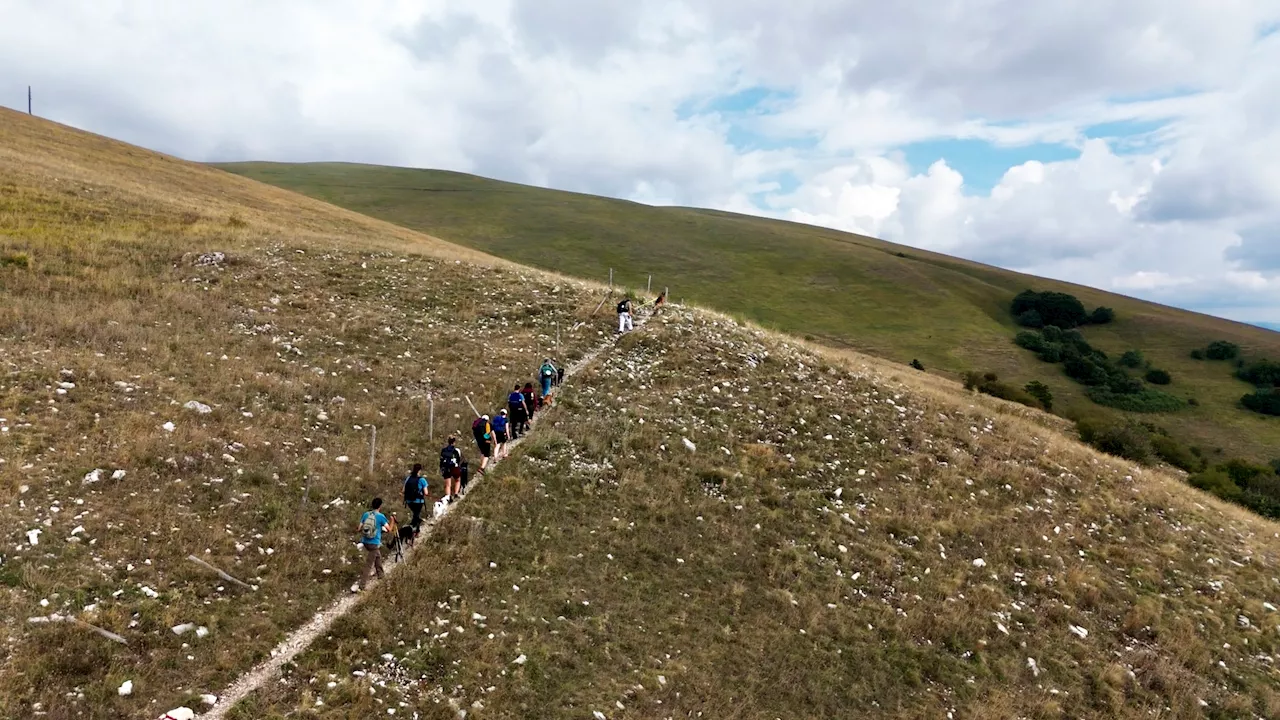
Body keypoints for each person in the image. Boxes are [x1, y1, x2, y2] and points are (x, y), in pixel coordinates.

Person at [354, 497, 389, 592]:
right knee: (368, 565)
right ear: (380, 506)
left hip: (365, 541)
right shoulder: (381, 516)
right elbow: (389, 529)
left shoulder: (366, 514)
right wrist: (393, 521)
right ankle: (362, 586)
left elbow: (359, 528)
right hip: (374, 543)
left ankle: (381, 576)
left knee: (377, 556)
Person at [402, 463, 427, 532]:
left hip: (409, 501)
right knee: (416, 513)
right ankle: (414, 529)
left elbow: (403, 490)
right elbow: (426, 492)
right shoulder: (422, 480)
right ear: (420, 471)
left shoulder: (408, 478)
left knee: (415, 514)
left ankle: (415, 526)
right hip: (418, 501)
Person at [439, 436, 462, 502]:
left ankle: (448, 497)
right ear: (454, 442)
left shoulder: (443, 450)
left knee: (448, 484)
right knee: (457, 480)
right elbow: (458, 460)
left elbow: (441, 460)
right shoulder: (456, 450)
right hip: (454, 467)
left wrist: (441, 468)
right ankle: (456, 493)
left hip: (446, 468)